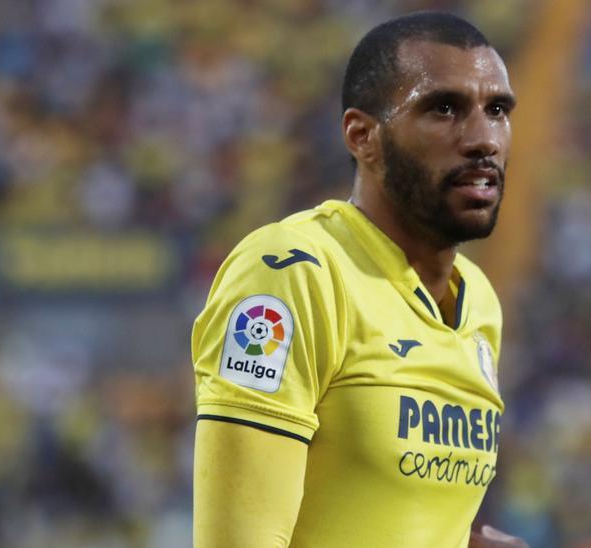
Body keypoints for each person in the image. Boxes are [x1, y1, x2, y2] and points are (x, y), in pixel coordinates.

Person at [191, 12, 525, 547]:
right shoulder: (293, 274)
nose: (483, 139)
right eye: (444, 108)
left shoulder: (478, 302)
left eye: (498, 110)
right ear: (362, 136)